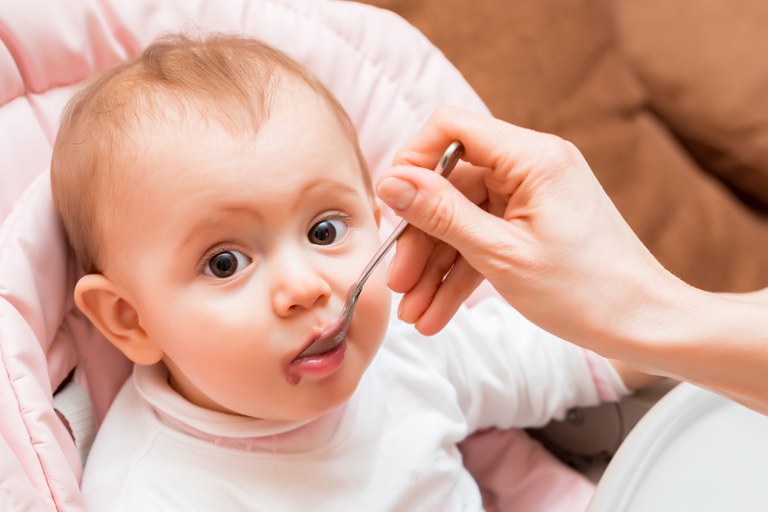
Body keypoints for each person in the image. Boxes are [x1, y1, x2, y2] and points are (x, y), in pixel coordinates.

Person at [51, 33, 656, 511]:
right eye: (225, 262)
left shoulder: (402, 347)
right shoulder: (151, 493)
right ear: (130, 320)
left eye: (324, 232)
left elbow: (561, 358)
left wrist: (691, 329)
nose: (307, 286)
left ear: (377, 220)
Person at [376, 106, 768, 416]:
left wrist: (645, 316)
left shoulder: (417, 357)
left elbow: (557, 365)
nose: (311, 289)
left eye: (325, 232)